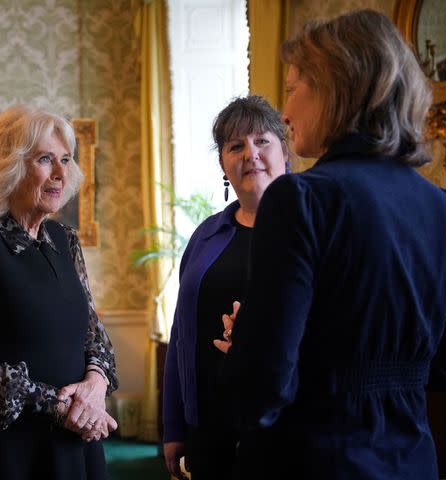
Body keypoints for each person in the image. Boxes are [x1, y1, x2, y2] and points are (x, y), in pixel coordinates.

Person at [217, 9, 446, 480]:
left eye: (294, 87)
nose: (288, 113)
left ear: (337, 88)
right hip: (413, 461)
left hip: (315, 459)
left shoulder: (300, 199)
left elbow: (261, 388)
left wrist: (248, 343)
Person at [0, 105, 118, 480]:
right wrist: (64, 409)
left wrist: (96, 385)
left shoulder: (65, 241)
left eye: (66, 159)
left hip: (73, 447)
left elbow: (95, 336)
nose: (61, 173)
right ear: (11, 165)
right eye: (45, 159)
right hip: (2, 454)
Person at [163, 95, 290, 480]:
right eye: (236, 146)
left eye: (262, 140)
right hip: (209, 424)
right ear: (224, 165)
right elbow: (181, 332)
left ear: (285, 152)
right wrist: (173, 427)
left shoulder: (308, 231)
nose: (250, 153)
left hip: (284, 426)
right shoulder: (206, 236)